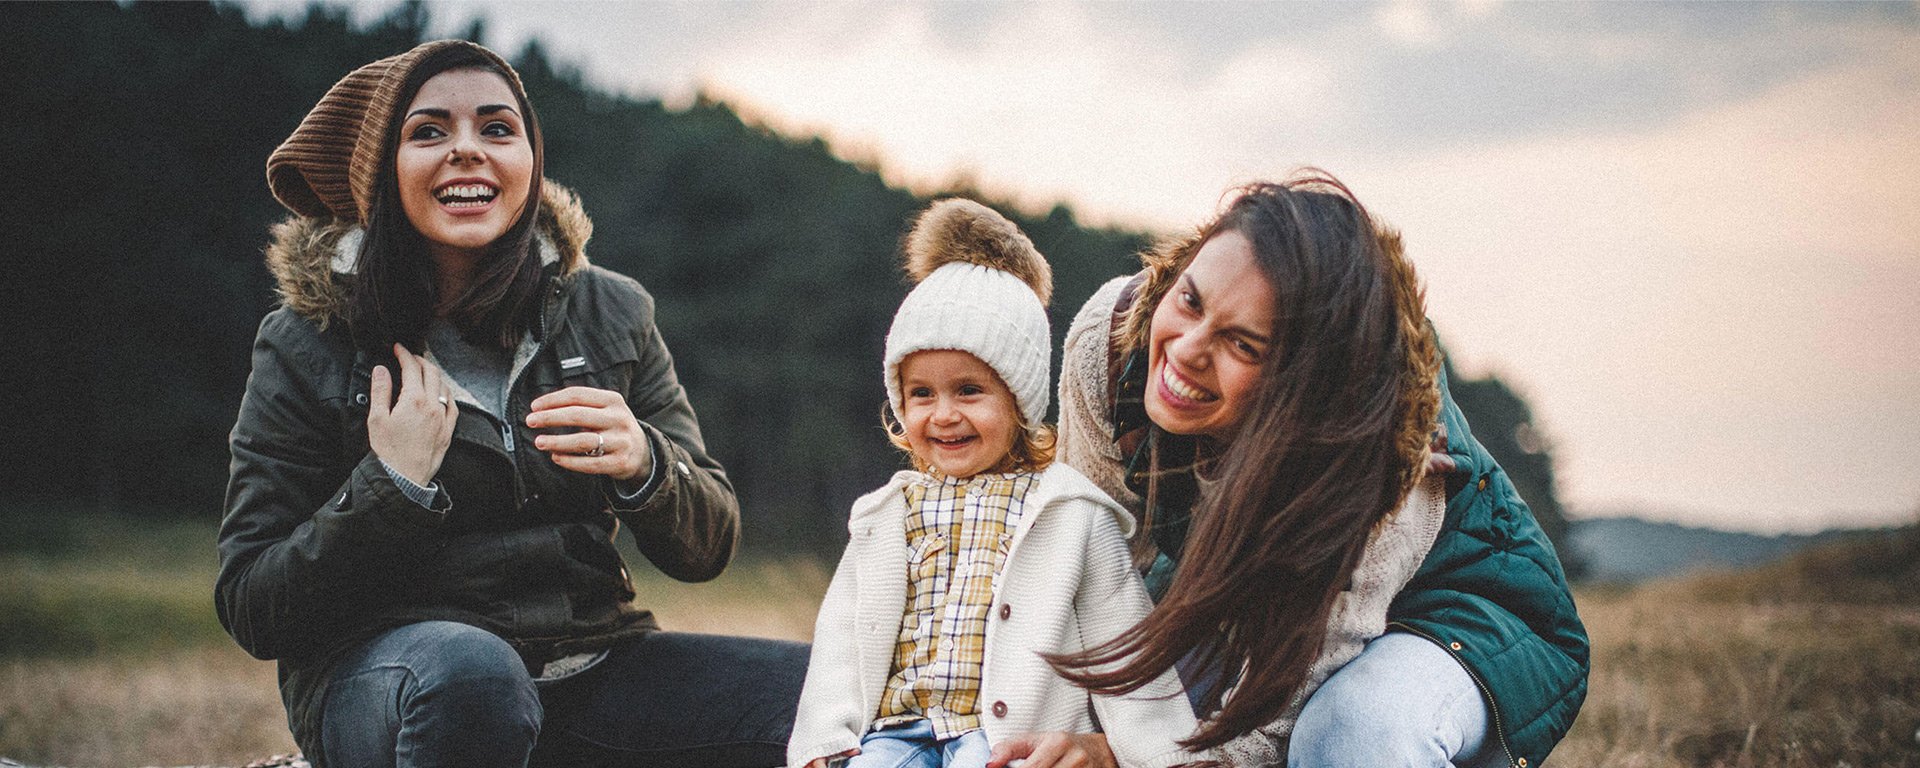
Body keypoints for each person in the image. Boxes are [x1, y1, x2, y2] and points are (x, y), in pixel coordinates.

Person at [216, 40, 806, 768]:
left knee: (823, 699)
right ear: (380, 170)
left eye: (498, 129)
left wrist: (646, 463)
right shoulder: (309, 340)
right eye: (429, 132)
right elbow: (252, 604)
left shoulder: (612, 311)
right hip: (389, 684)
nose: (468, 151)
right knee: (476, 679)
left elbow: (710, 543)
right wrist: (389, 486)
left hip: (590, 665)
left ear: (531, 159)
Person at [989, 174, 1588, 768]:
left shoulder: (1376, 462)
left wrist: (1132, 756)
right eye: (1190, 300)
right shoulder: (1112, 340)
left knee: (1343, 733)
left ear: (1301, 382)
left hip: (1455, 614)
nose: (1186, 350)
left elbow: (1278, 708)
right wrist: (1076, 737)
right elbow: (1085, 571)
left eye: (1242, 345)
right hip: (1250, 610)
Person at [787, 200, 1201, 768]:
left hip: (1004, 738)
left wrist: (1167, 754)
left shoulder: (1069, 512)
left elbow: (1120, 639)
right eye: (922, 394)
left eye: (969, 391)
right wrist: (823, 741)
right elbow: (842, 635)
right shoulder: (889, 513)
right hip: (896, 729)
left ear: (1020, 400)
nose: (944, 414)